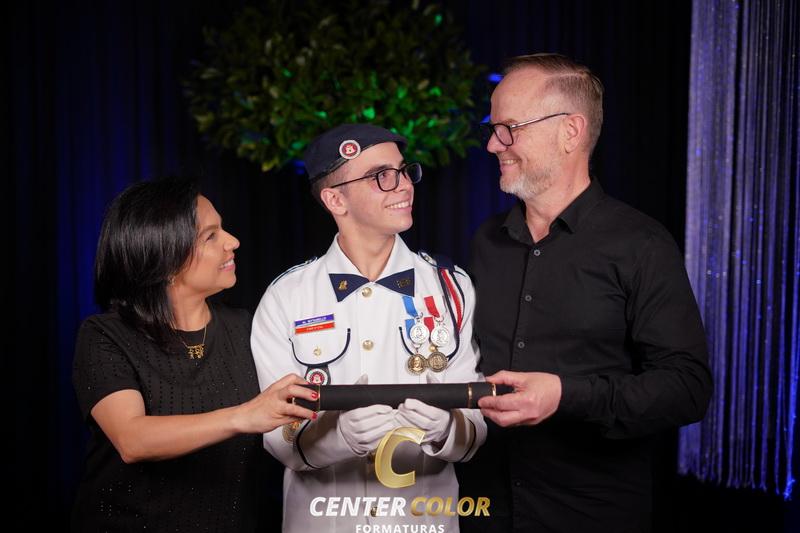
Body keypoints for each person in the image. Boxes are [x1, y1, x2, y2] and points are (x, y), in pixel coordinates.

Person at [459, 53, 713, 533]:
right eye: (493, 129)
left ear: (570, 132)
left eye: (509, 129)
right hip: (484, 513)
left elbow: (687, 389)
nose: (493, 144)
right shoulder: (485, 241)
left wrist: (565, 396)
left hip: (590, 517)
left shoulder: (640, 244)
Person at [251, 124, 487, 532]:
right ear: (335, 199)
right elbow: (274, 430)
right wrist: (336, 436)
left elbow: (477, 422)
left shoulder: (451, 288)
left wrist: (448, 429)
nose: (404, 185)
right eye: (381, 176)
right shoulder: (286, 296)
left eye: (403, 170)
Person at [71, 178, 316, 532]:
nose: (233, 242)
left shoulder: (245, 328)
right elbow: (132, 439)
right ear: (165, 256)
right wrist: (244, 416)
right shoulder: (105, 336)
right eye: (210, 236)